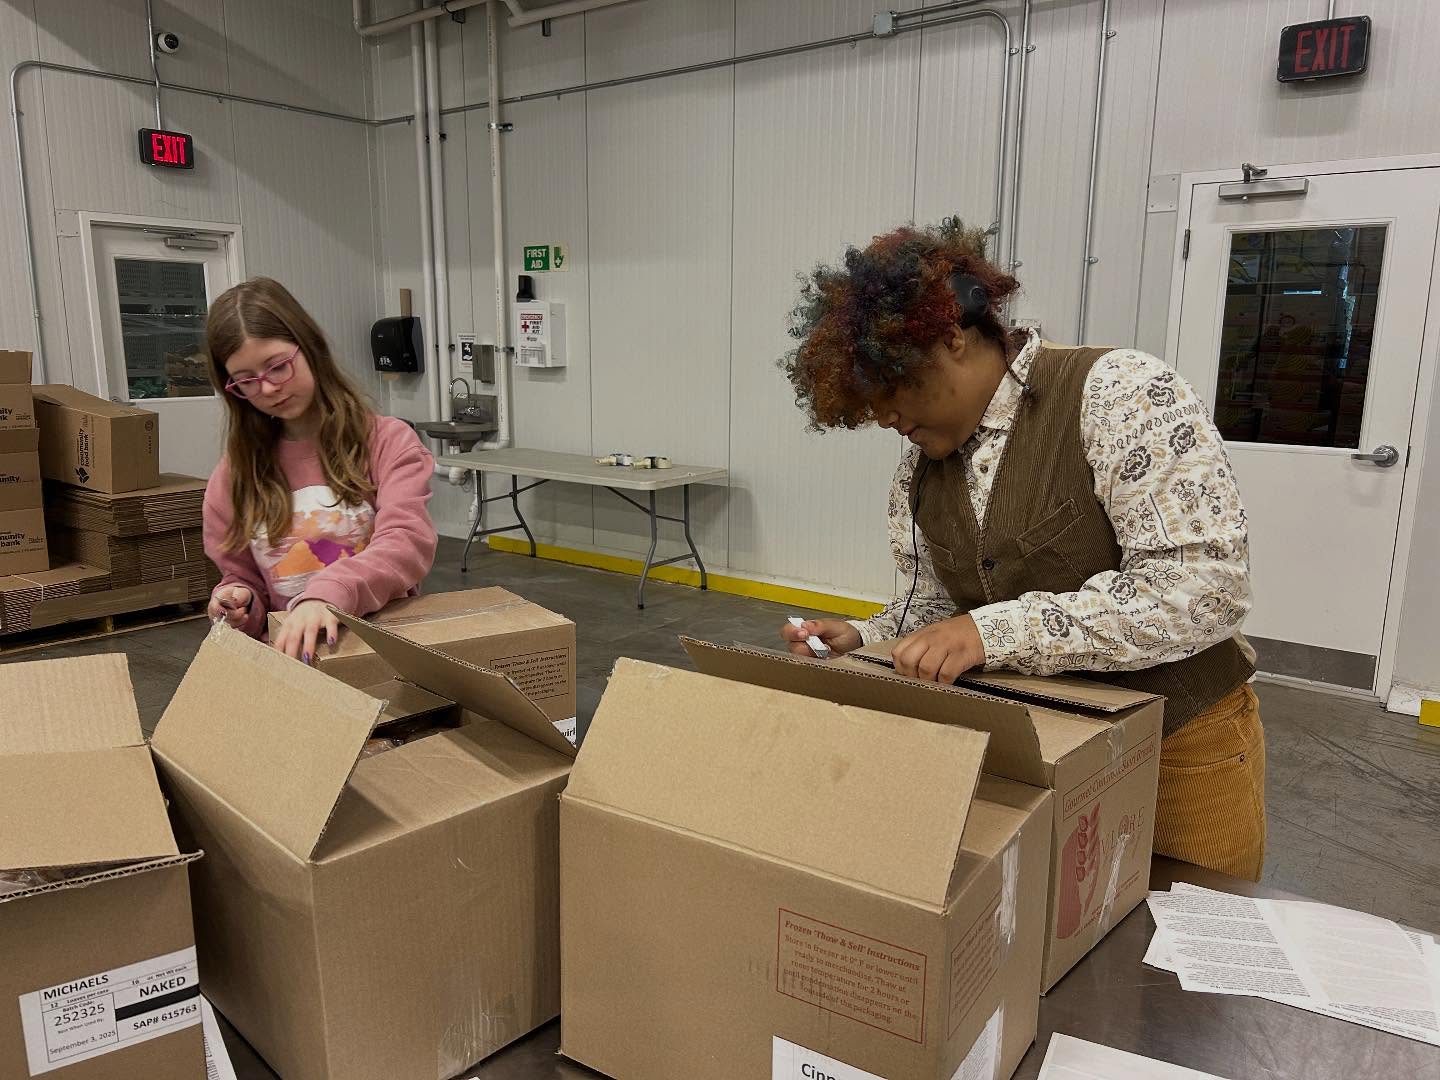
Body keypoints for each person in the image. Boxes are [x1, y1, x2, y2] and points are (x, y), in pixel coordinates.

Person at [778, 218, 1264, 881]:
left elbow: (1203, 589)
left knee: (1185, 928)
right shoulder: (920, 467)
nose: (884, 418)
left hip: (1178, 748)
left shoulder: (1121, 394)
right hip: (1039, 751)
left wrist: (993, 632)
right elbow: (942, 606)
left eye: (893, 389)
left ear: (952, 338)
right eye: (869, 404)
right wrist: (868, 638)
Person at [202, 277, 438, 662]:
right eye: (246, 381)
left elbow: (407, 542)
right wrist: (239, 603)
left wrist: (328, 595)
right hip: (292, 664)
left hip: (382, 656)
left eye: (277, 367)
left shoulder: (386, 442)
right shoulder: (234, 476)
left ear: (309, 346)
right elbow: (244, 580)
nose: (267, 389)